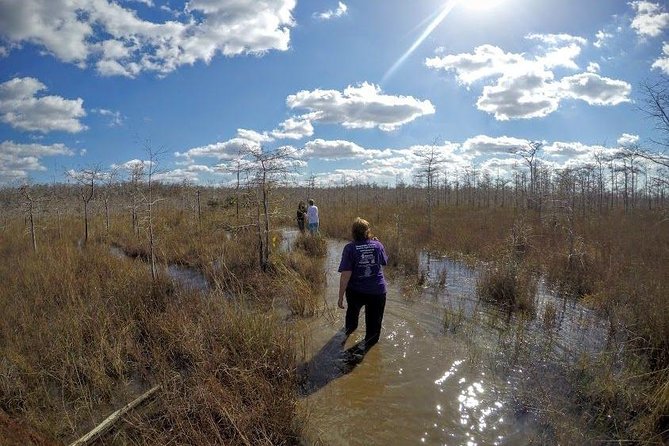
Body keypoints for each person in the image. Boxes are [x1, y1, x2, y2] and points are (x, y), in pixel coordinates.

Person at [337, 217, 388, 350]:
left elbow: (345, 275)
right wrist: (378, 244)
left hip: (356, 292)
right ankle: (369, 358)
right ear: (368, 231)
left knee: (351, 321)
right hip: (377, 291)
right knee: (373, 331)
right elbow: (384, 262)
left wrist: (340, 297)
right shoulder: (378, 245)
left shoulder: (350, 248)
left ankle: (347, 342)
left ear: (353, 232)